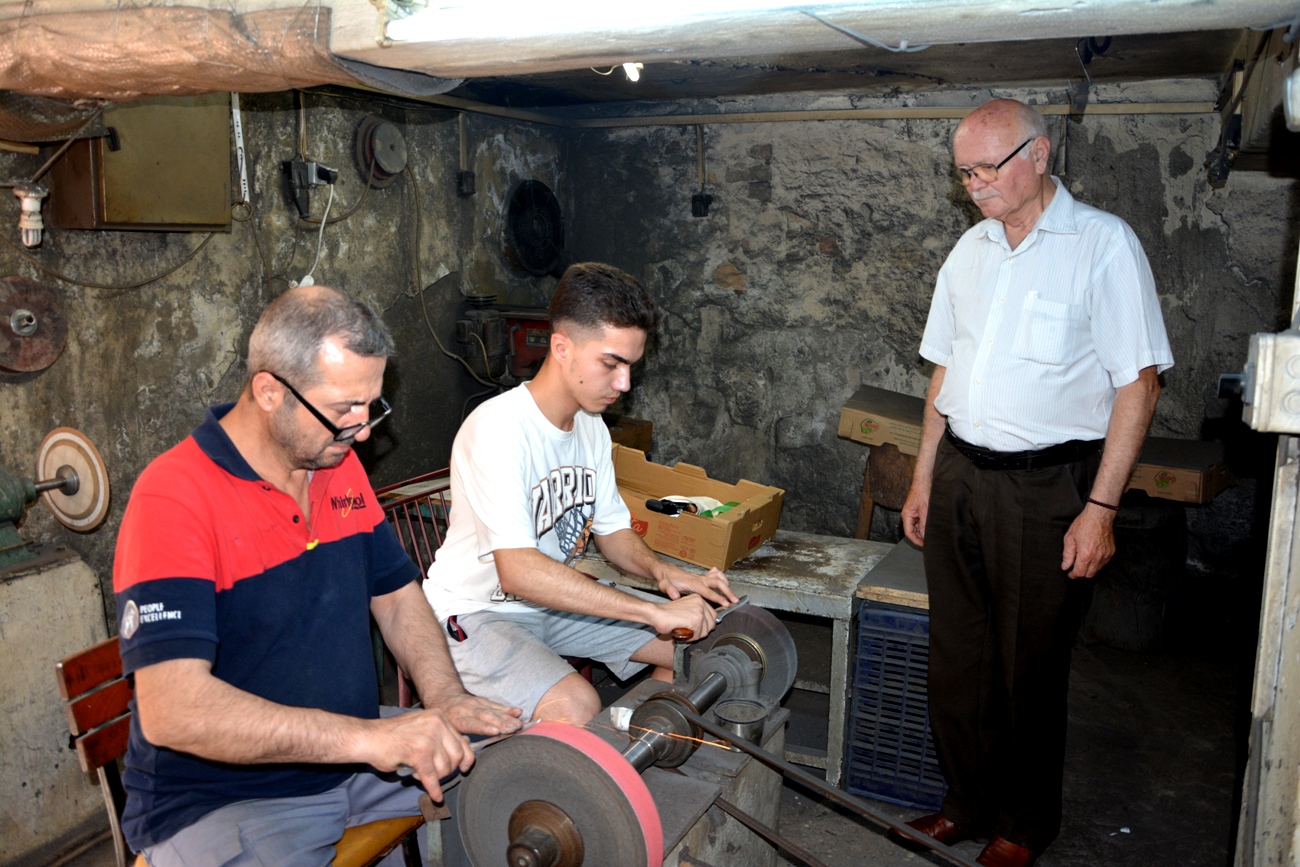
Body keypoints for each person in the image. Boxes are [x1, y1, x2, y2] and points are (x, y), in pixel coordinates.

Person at [113, 285, 522, 866]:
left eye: (371, 406)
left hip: (352, 760)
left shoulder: (337, 464)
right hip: (226, 799)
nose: (362, 432)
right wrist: (367, 738)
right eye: (342, 410)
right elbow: (174, 710)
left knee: (523, 773)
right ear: (269, 392)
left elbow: (398, 597)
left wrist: (446, 697)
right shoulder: (174, 499)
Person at [897, 99, 1172, 867]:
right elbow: (942, 371)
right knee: (959, 658)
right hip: (961, 474)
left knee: (1029, 666)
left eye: (990, 167)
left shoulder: (1102, 245)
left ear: (1040, 154)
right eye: (965, 173)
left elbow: (1139, 384)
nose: (977, 185)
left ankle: (1024, 823)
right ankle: (965, 802)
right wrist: (924, 476)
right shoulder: (971, 251)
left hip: (1047, 485)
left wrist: (1101, 507)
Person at [423, 261, 739, 725]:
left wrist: (663, 573)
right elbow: (519, 573)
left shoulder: (591, 428)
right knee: (576, 704)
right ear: (561, 347)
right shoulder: (498, 429)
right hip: (478, 613)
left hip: (553, 605)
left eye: (630, 366)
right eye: (610, 364)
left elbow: (612, 532)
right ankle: (563, 782)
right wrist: (648, 613)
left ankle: (626, 750)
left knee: (709, 647)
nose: (624, 384)